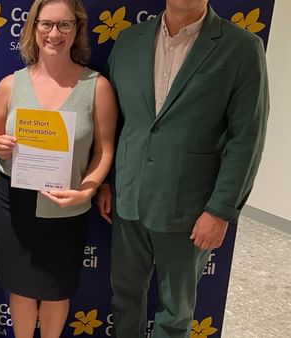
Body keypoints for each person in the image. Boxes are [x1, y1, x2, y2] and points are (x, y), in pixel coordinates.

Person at [96, 1, 269, 337]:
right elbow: (111, 120)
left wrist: (220, 211)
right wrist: (106, 182)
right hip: (126, 198)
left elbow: (246, 138)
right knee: (125, 300)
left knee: (176, 313)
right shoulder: (129, 40)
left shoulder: (242, 48)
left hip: (190, 208)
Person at [0, 0, 117, 336]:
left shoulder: (96, 87)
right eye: (46, 24)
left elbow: (104, 150)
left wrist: (87, 190)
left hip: (66, 206)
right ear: (33, 28)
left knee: (57, 288)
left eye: (64, 25)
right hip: (15, 203)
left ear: (77, 30)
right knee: (20, 285)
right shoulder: (10, 85)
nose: (54, 33)